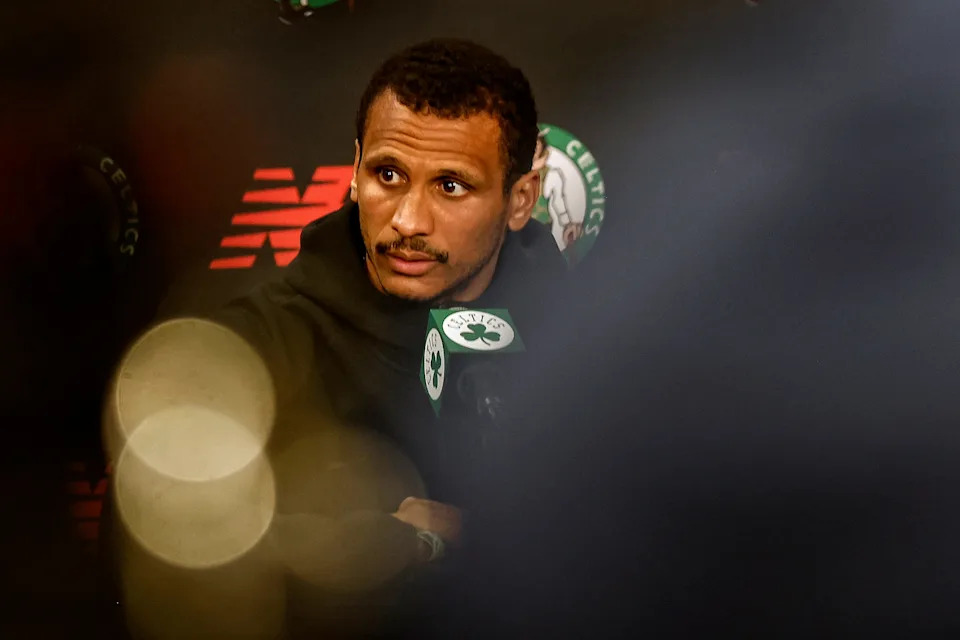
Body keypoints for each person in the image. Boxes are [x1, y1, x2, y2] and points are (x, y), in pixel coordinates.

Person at [126, 38, 565, 637]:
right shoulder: (255, 346)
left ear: (521, 200)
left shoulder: (596, 347)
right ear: (355, 172)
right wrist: (390, 544)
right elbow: (154, 534)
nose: (408, 221)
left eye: (451, 186)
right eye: (388, 174)